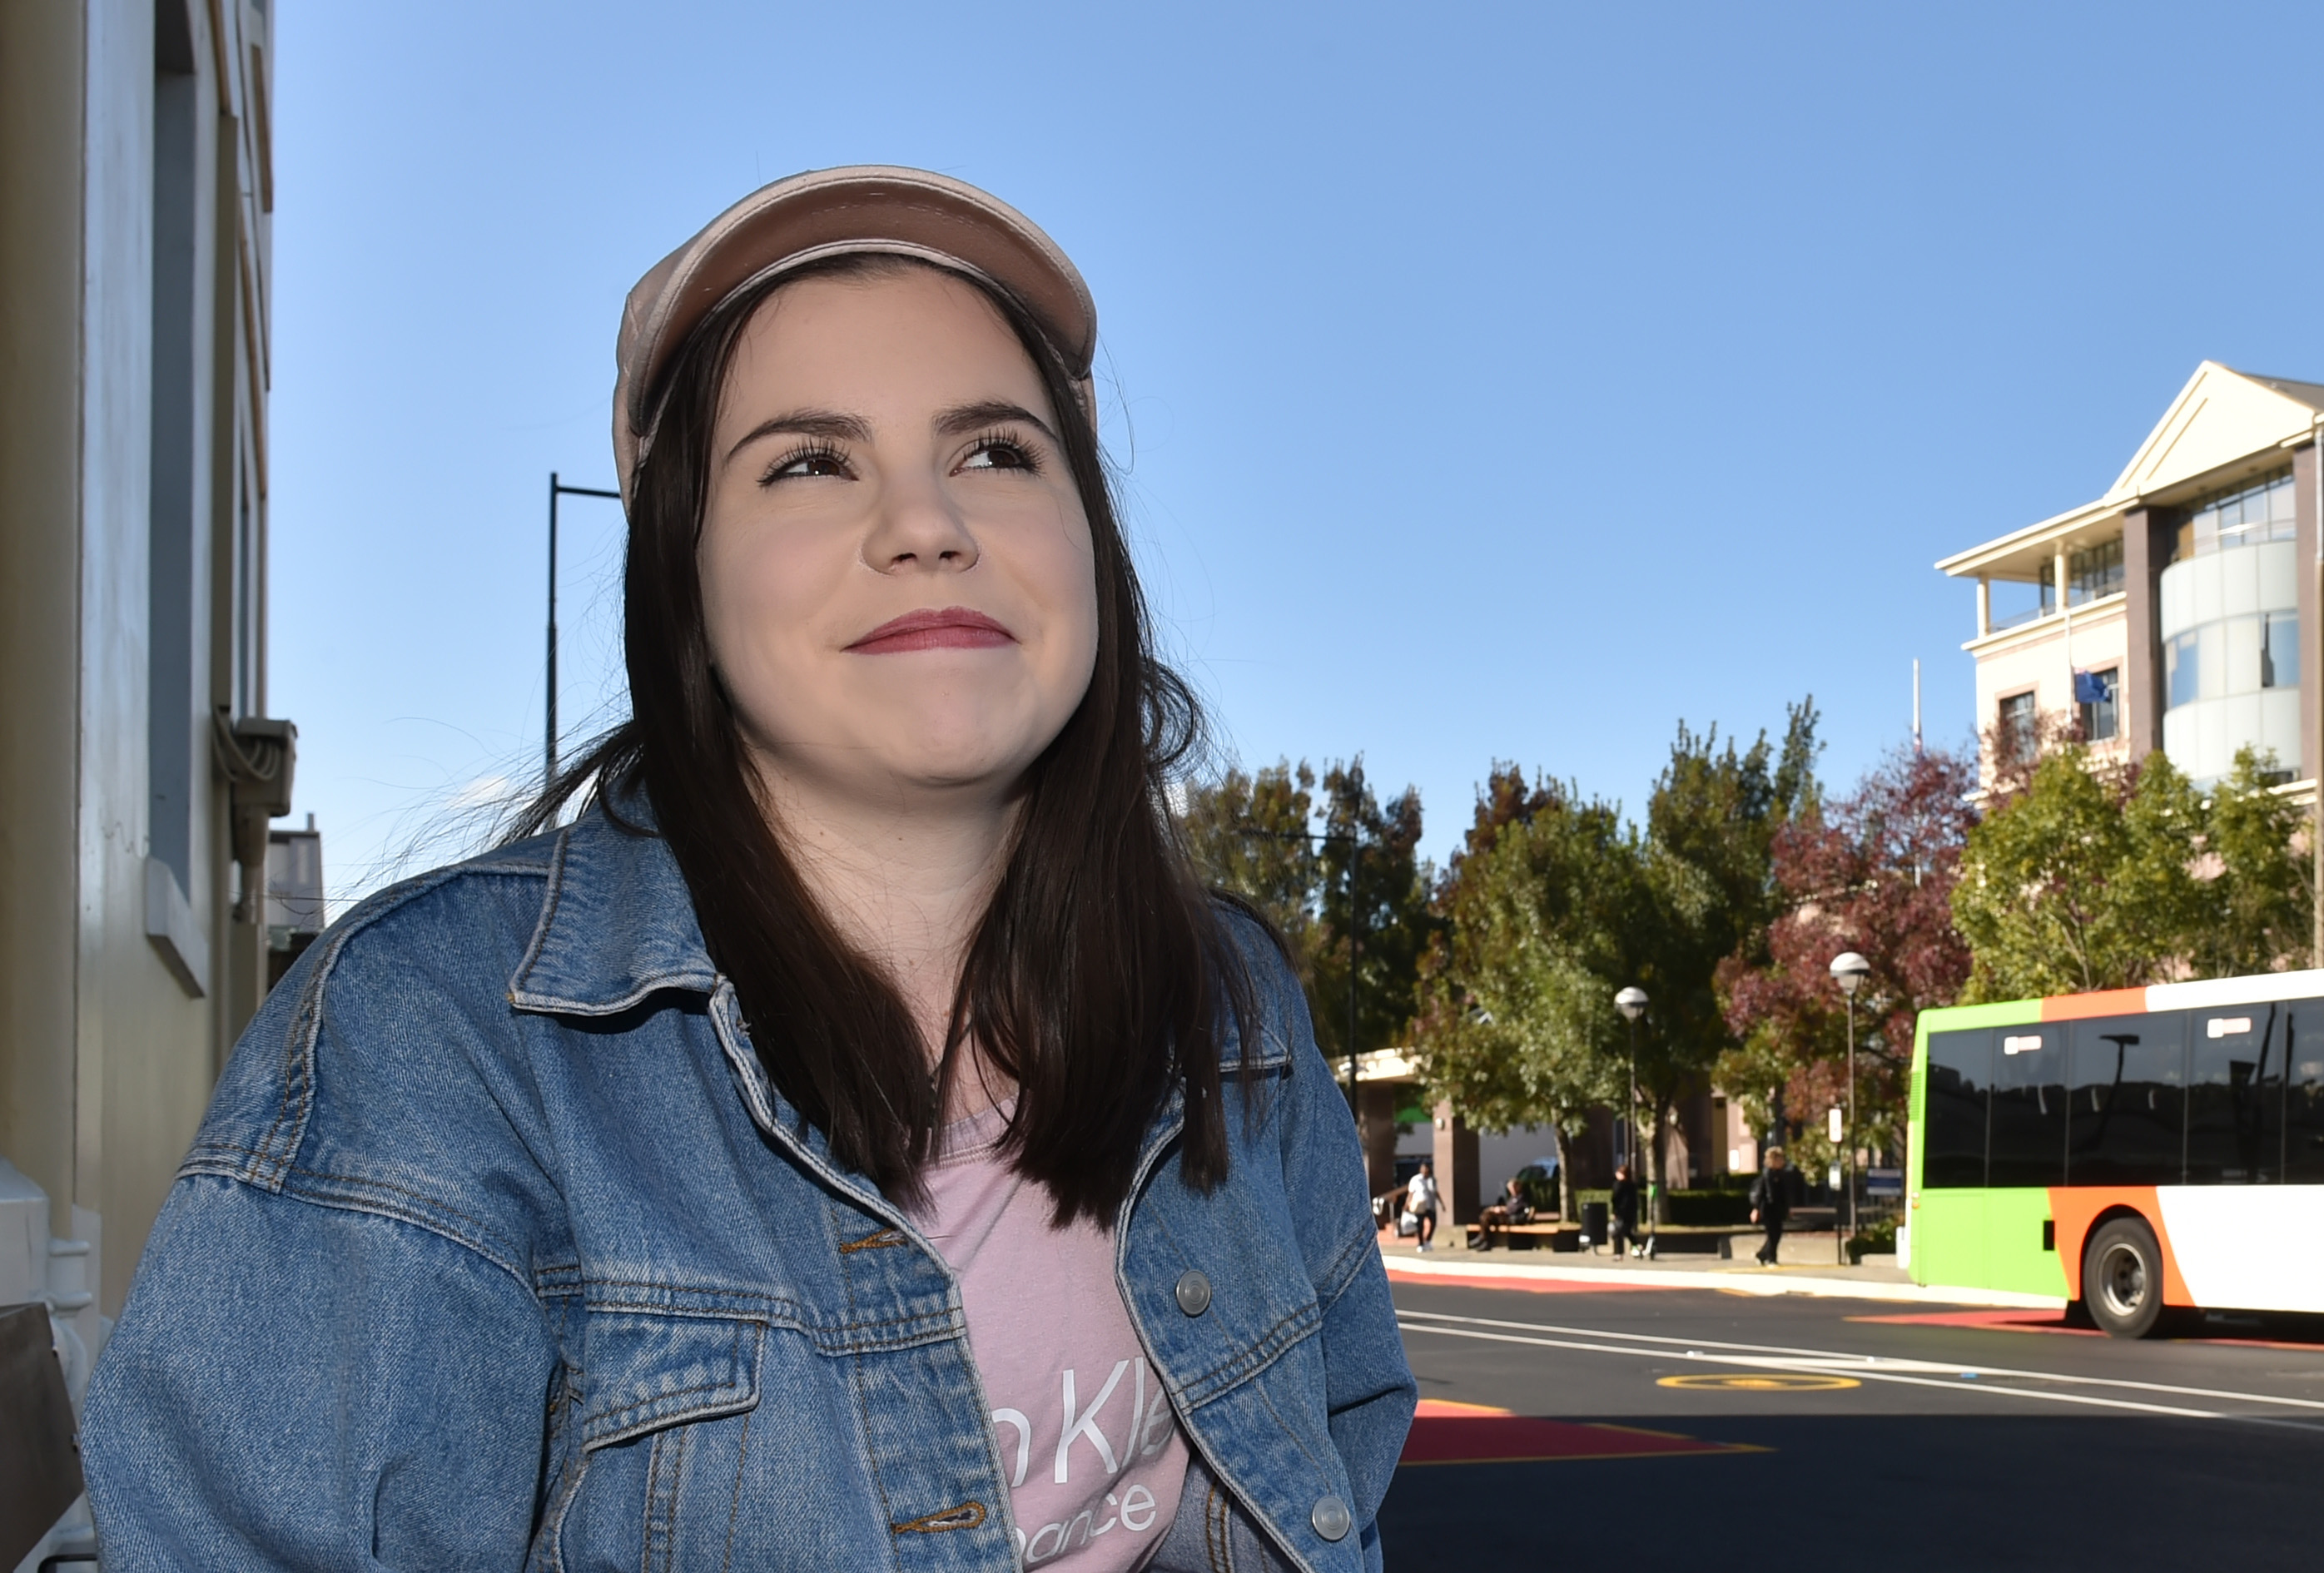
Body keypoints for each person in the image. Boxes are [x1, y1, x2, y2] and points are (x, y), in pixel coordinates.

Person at [79, 167, 1412, 1571]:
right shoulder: (434, 1037)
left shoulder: (1234, 1012)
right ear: (684, 572)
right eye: (810, 462)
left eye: (998, 452)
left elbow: (1337, 1479)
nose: (925, 522)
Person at [1748, 1146, 1809, 1266]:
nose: (1782, 1161)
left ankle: (1762, 1255)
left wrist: (1787, 1209)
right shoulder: (1767, 1175)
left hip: (1777, 1209)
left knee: (1776, 1234)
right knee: (1772, 1234)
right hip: (1768, 1209)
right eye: (1779, 1159)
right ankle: (1771, 1258)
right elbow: (1761, 1193)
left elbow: (1783, 1194)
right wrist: (1756, 1209)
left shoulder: (1781, 1175)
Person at [1608, 1164, 1645, 1257]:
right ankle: (1637, 1246)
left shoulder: (1618, 1185)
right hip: (1631, 1213)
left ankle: (1619, 1253)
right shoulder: (1632, 1186)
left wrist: (1614, 1212)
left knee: (1618, 1233)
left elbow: (1615, 1199)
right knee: (1627, 1231)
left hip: (1621, 1213)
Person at [1405, 1165, 1442, 1253]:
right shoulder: (1416, 1179)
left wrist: (1442, 1204)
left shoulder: (1432, 1180)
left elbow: (1436, 1192)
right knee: (1420, 1225)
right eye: (1424, 1169)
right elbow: (1411, 1193)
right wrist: (1407, 1204)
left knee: (1433, 1222)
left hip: (1430, 1205)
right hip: (1420, 1205)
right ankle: (1421, 1244)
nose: (1426, 1171)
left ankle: (1428, 1240)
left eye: (1427, 1169)